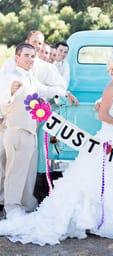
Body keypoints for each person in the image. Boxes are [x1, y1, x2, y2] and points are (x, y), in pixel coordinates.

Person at [0, 56, 113, 244]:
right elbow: (103, 114)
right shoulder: (112, 87)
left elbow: (109, 106)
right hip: (110, 137)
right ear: (111, 70)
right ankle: (90, 218)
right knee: (96, 178)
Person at [0, 43, 68, 219]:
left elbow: (47, 89)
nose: (30, 59)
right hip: (17, 130)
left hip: (31, 133)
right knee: (15, 172)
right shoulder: (9, 77)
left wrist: (65, 93)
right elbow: (3, 100)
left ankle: (27, 204)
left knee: (29, 174)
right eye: (26, 55)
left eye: (32, 56)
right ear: (17, 57)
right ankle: (12, 207)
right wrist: (11, 92)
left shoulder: (31, 78)